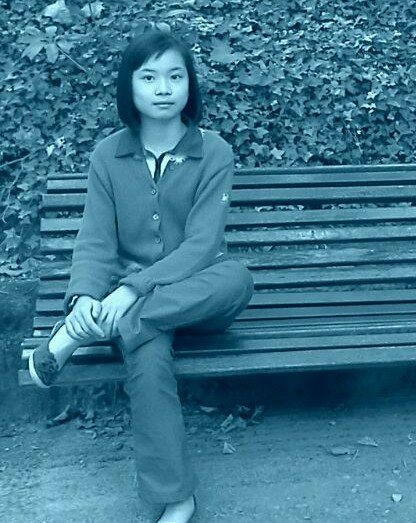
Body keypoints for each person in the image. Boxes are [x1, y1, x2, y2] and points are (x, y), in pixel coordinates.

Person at [27, 29, 254, 523]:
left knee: (237, 277)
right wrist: (84, 297)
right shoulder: (107, 156)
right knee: (147, 361)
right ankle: (177, 498)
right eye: (149, 77)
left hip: (195, 297)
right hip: (139, 315)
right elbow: (95, 240)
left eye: (175, 76)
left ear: (190, 85)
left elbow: (202, 246)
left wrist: (129, 292)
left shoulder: (214, 152)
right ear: (129, 87)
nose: (164, 88)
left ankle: (83, 335)